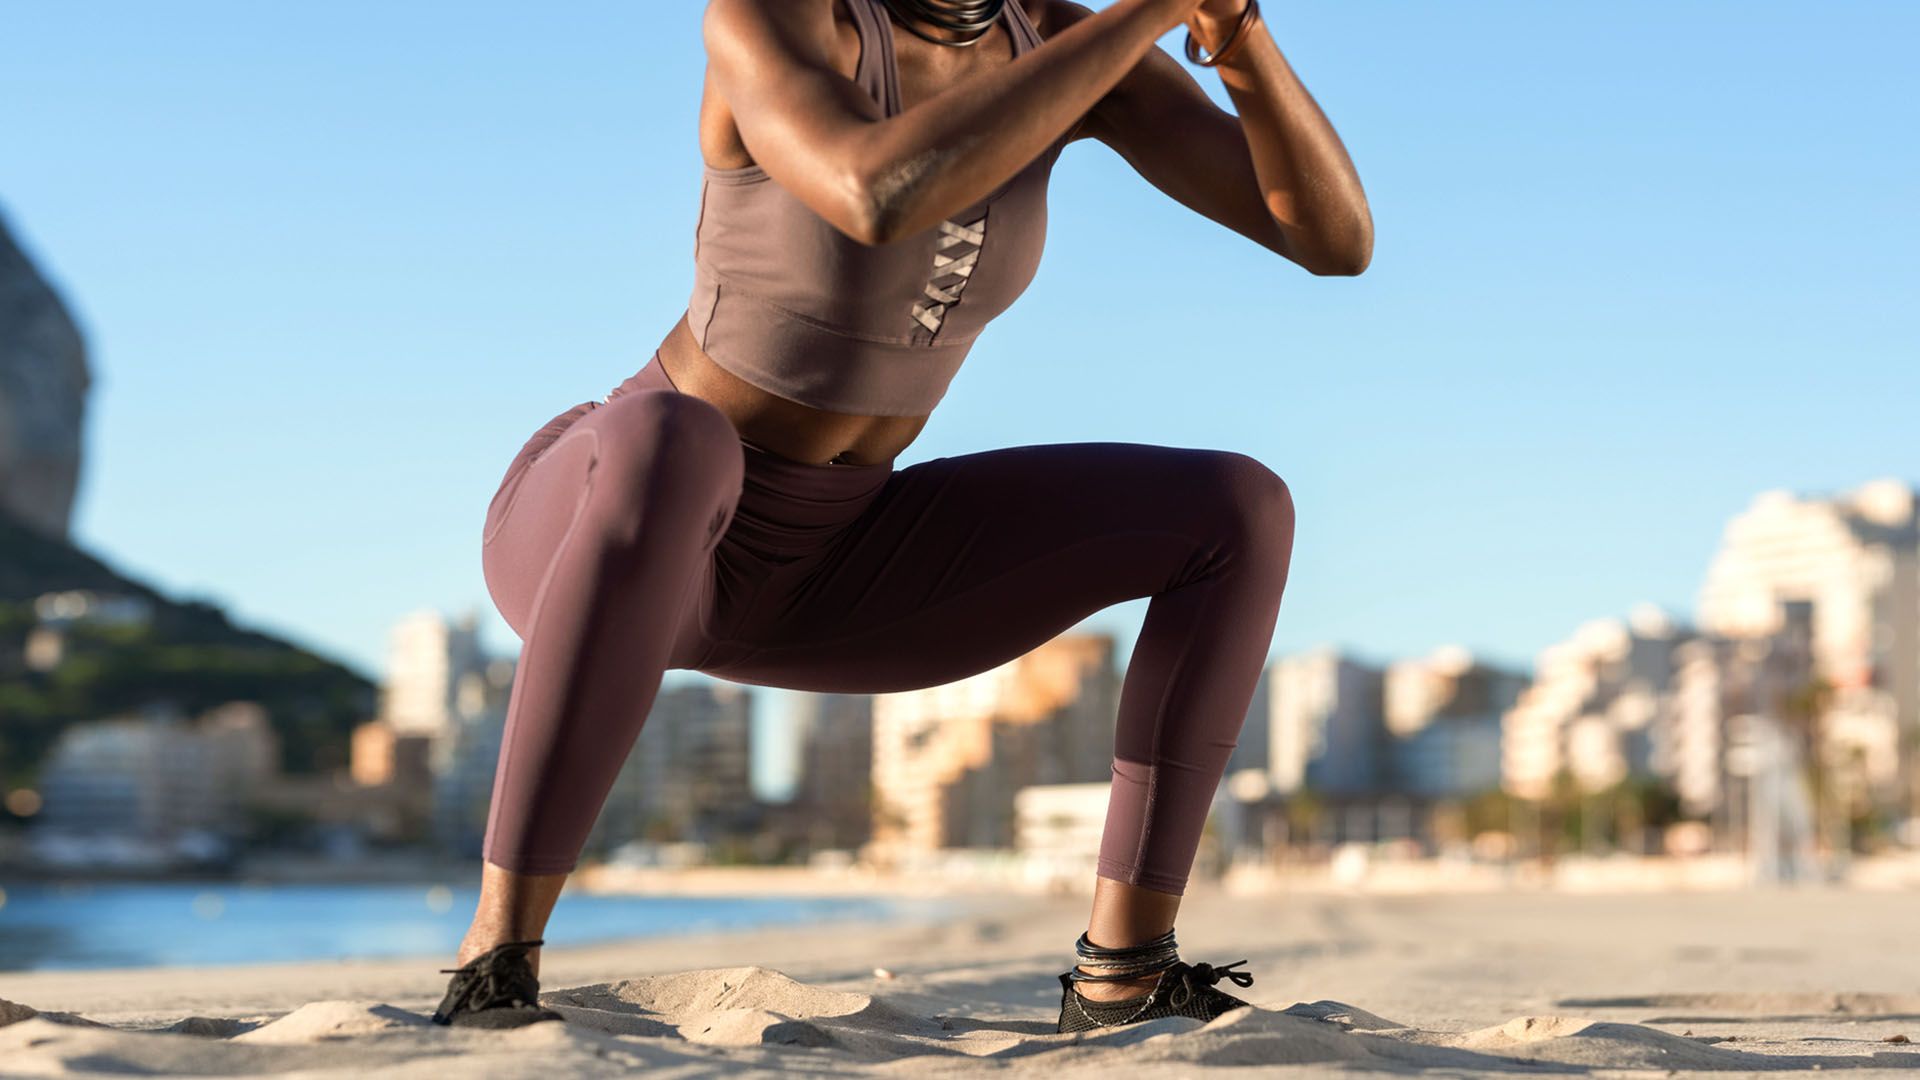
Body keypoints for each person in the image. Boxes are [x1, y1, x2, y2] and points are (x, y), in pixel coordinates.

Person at [431, 0, 1371, 1033]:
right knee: (681, 437)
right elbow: (872, 193)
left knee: (1236, 508)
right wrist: (1143, 14)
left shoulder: (1062, 44)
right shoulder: (782, 22)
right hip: (619, 513)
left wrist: (1236, 35)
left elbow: (1330, 237)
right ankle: (497, 955)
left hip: (835, 562)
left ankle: (1126, 970)